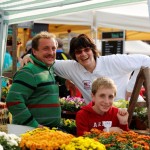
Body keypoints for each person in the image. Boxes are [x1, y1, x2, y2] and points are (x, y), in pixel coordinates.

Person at [21, 34, 150, 104]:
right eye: (78, 52)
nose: (83, 54)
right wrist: (29, 56)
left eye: (86, 49)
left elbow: (146, 60)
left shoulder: (113, 61)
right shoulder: (73, 67)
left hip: (129, 114)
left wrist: (131, 89)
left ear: (93, 50)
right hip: (97, 119)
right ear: (74, 55)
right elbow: (48, 60)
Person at [6, 31, 61, 128]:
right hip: (30, 133)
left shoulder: (49, 68)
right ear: (34, 51)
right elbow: (13, 101)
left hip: (46, 133)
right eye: (46, 49)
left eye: (53, 48)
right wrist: (33, 125)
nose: (51, 52)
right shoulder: (28, 71)